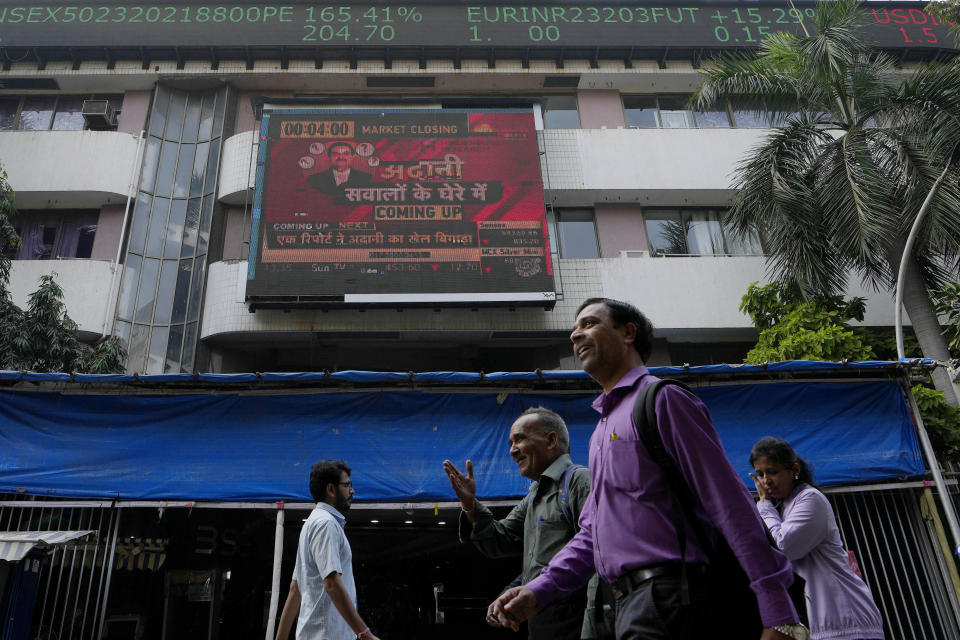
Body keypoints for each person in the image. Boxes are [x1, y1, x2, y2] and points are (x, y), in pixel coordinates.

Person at [491, 297, 808, 640]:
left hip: (671, 599)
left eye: (589, 323)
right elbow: (592, 534)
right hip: (628, 607)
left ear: (628, 333)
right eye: (573, 329)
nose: (575, 335)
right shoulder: (600, 430)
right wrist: (540, 589)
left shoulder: (663, 400)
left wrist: (777, 607)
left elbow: (728, 502)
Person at [443, 407, 614, 640]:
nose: (513, 451)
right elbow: (499, 539)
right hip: (542, 626)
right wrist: (469, 504)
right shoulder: (534, 495)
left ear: (551, 440)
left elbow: (596, 555)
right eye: (510, 443)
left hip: (575, 626)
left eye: (520, 439)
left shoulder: (579, 481)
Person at [750, 437, 885, 640]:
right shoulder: (786, 506)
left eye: (773, 472)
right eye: (760, 474)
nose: (766, 481)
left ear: (794, 470)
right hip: (826, 624)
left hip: (847, 621)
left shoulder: (810, 499)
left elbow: (784, 547)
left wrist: (764, 506)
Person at [275, 460, 380, 640]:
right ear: (331, 490)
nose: (352, 491)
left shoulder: (313, 522)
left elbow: (295, 588)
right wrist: (365, 634)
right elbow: (331, 583)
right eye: (347, 485)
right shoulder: (326, 524)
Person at [307, 142, 373, 196]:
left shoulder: (366, 178)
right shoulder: (315, 179)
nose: (341, 157)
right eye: (336, 154)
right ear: (329, 157)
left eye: (346, 154)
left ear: (352, 157)